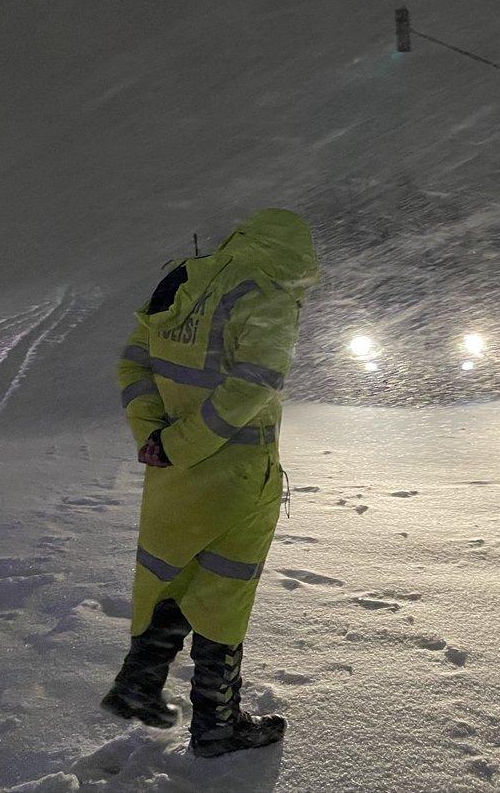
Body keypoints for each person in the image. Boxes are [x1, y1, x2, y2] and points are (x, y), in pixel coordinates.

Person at [101, 208, 318, 758]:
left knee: (175, 579)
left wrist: (155, 436)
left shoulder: (184, 279)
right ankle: (218, 724)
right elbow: (254, 386)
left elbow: (132, 365)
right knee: (224, 594)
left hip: (174, 479)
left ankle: (139, 683)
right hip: (236, 479)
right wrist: (181, 443)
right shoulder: (267, 292)